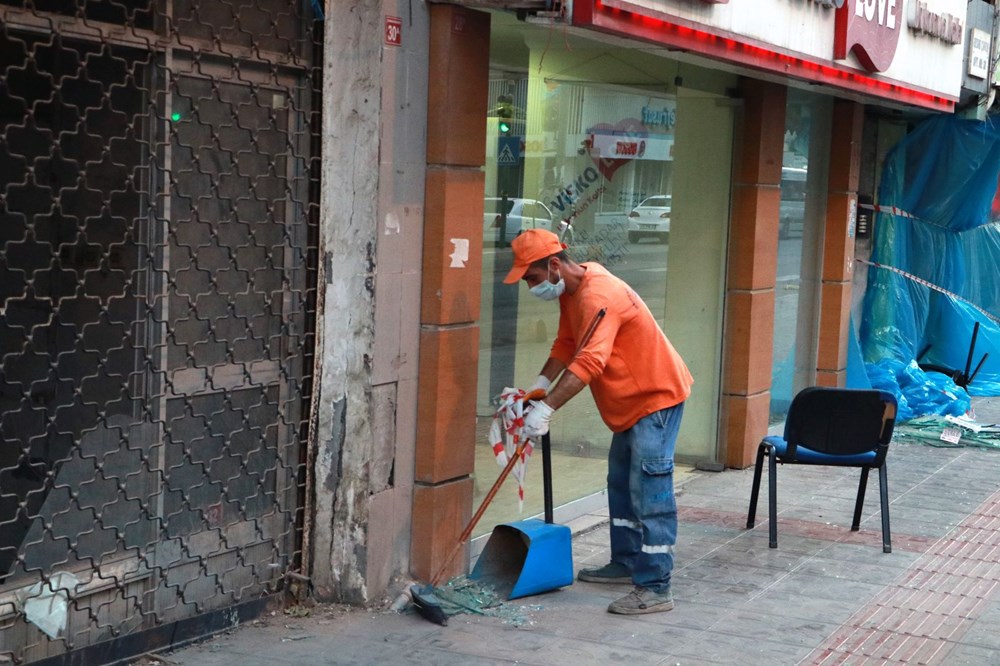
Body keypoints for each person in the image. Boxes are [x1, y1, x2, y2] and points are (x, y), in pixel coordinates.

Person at [503, 228, 693, 615]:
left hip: (654, 400)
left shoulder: (598, 295)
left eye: (533, 278)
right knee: (620, 484)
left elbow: (590, 361)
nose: (530, 287)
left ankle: (656, 586)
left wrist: (547, 409)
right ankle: (625, 561)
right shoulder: (572, 290)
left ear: (554, 266)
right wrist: (540, 386)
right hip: (628, 404)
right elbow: (566, 344)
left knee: (650, 492)